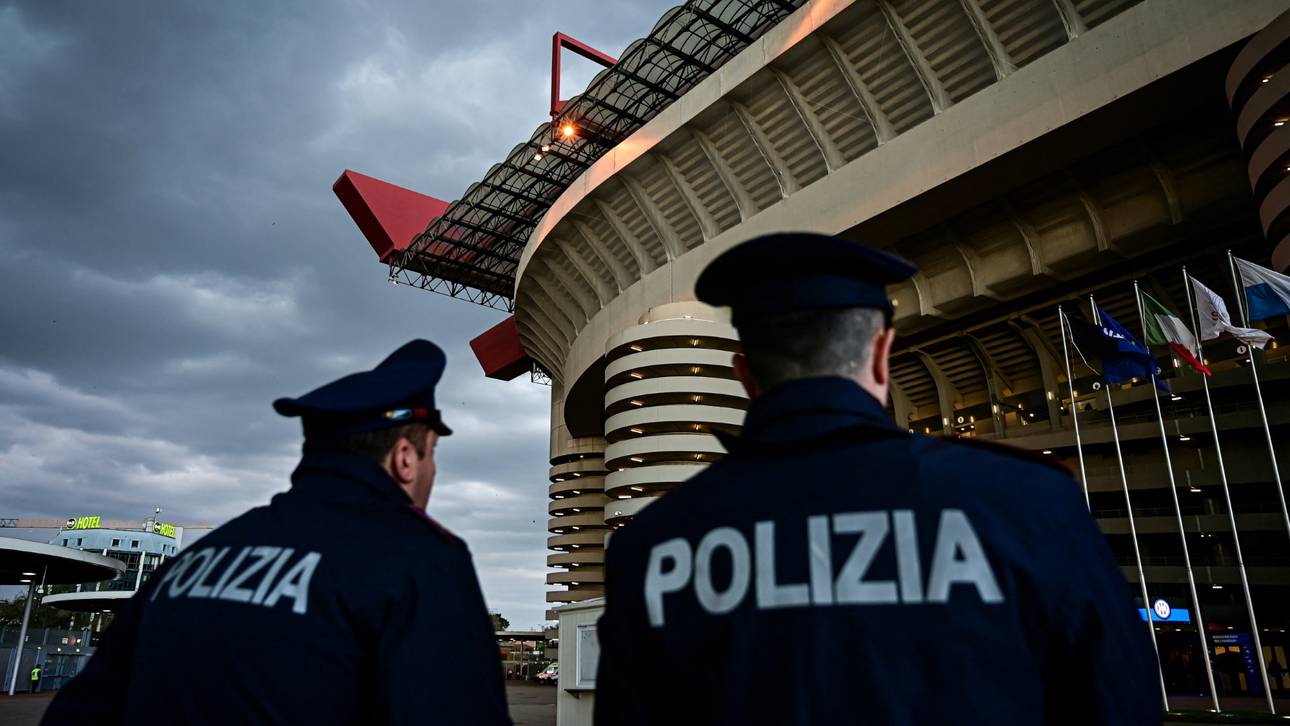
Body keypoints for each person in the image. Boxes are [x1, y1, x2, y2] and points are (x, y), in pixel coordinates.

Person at [593, 233, 1160, 724]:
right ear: (882, 353)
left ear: (745, 373)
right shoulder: (1027, 502)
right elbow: (1120, 704)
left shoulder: (651, 548)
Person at [43, 340, 510, 725]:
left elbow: (82, 711)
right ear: (406, 458)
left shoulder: (196, 560)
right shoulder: (420, 559)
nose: (432, 470)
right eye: (432, 453)